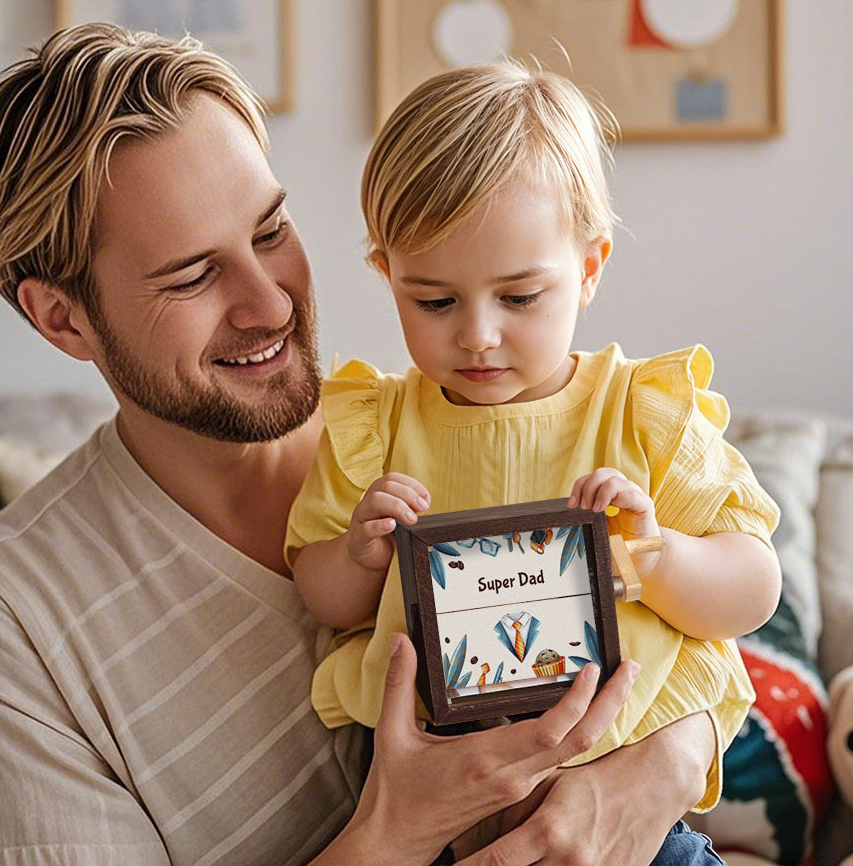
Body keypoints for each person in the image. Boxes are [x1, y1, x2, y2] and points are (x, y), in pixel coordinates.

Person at [0, 24, 718, 866]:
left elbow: (694, 632)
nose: (270, 304)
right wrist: (396, 831)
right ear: (62, 317)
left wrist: (666, 761)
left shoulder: (432, 430)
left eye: (270, 232)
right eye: (192, 276)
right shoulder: (1, 621)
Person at [286, 62, 782, 858]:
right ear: (386, 275)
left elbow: (753, 588)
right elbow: (324, 600)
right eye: (435, 300)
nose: (478, 334)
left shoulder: (643, 411)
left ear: (589, 268)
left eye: (519, 297)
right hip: (438, 823)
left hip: (631, 822)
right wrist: (358, 555)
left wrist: (655, 557)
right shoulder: (371, 425)